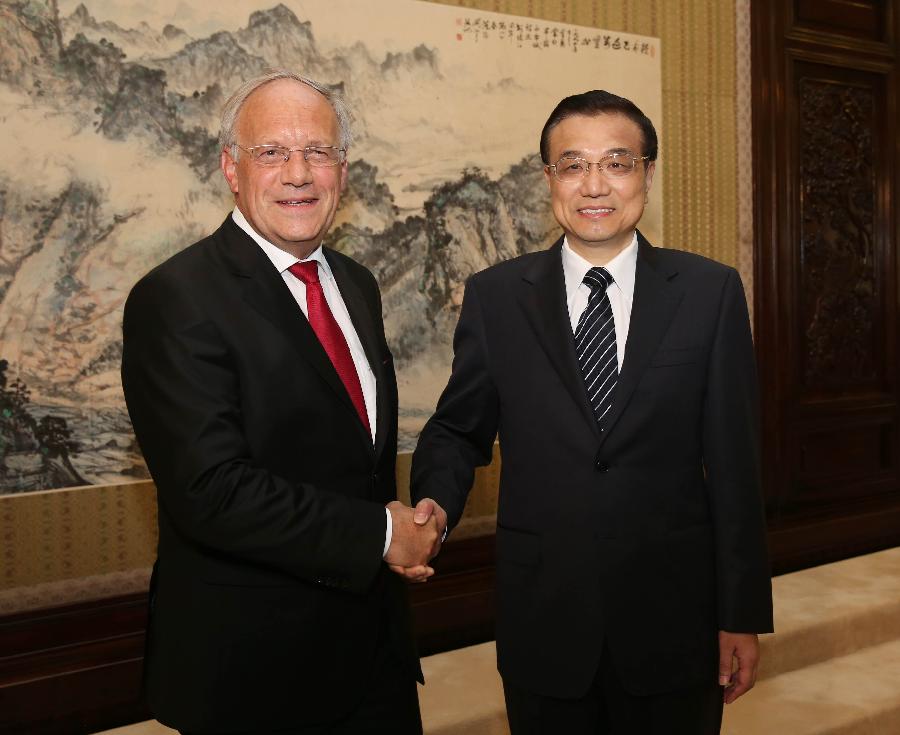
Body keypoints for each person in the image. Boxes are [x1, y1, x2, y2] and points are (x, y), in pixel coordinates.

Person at [407, 90, 774, 734]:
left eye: (617, 162)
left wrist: (740, 612)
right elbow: (459, 428)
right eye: (572, 164)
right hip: (544, 615)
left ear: (647, 173)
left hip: (674, 619)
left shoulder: (708, 292)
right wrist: (435, 502)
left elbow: (736, 464)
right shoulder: (497, 297)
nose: (594, 184)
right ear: (548, 178)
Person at [121, 70, 439, 735]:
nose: (298, 172)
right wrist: (383, 535)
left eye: (317, 152)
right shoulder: (176, 297)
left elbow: (356, 458)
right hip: (255, 676)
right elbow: (211, 491)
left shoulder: (356, 283)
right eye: (272, 152)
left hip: (374, 654)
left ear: (342, 171)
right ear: (230, 169)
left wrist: (408, 525)